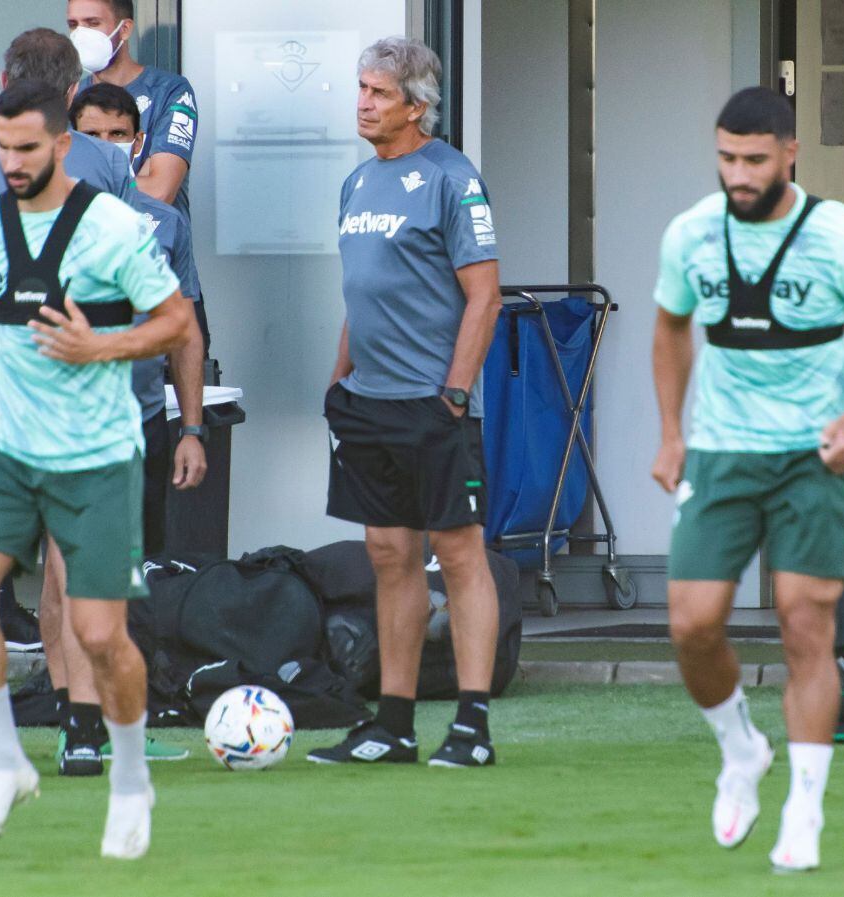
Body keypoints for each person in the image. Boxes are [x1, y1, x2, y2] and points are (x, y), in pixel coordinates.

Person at [650, 86, 844, 872]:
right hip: (723, 451)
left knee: (804, 621)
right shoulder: (691, 233)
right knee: (692, 624)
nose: (738, 173)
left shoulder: (841, 236)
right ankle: (740, 750)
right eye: (726, 157)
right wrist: (670, 433)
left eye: (754, 160)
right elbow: (668, 327)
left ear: (790, 154)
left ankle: (805, 806)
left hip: (812, 456)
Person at [0, 27, 183, 779]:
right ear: (74, 94)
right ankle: (82, 730)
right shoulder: (104, 159)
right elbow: (150, 287)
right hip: (76, 407)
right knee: (70, 577)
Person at [308, 38, 502, 768]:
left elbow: (484, 297)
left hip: (432, 403)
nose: (364, 102)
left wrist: (454, 394)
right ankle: (393, 723)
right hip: (367, 404)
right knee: (389, 554)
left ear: (417, 106)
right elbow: (362, 296)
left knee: (458, 554)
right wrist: (337, 382)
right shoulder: (357, 184)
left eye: (380, 93)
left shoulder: (453, 178)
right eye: (361, 88)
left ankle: (472, 726)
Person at [54, 81, 207, 775]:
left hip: (142, 419)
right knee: (67, 574)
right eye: (93, 135)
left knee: (127, 574)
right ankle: (74, 716)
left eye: (120, 136)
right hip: (62, 422)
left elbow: (188, 335)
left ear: (136, 143)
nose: (107, 149)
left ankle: (123, 718)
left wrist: (192, 426)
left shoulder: (164, 225)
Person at [66, 0, 210, 351]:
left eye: (92, 22)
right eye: (73, 24)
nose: (80, 34)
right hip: (81, 282)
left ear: (124, 29)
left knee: (173, 401)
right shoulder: (69, 96)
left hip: (163, 276)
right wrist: (136, 175)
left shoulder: (170, 90)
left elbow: (161, 189)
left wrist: (83, 186)